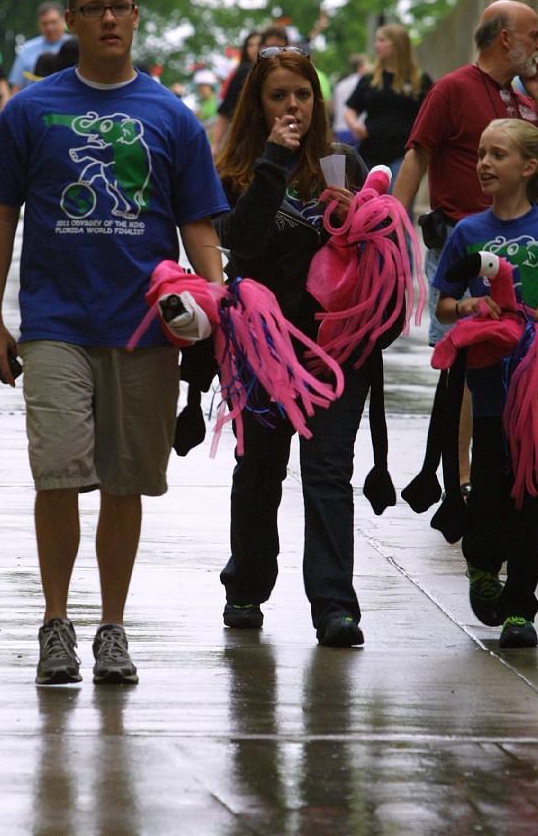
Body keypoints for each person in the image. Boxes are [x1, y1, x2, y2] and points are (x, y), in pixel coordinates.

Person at [0, 0, 227, 687]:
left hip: (145, 327)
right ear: (74, 21)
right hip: (54, 321)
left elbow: (197, 224)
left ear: (137, 17)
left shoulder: (172, 116)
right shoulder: (29, 109)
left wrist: (220, 300)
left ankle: (112, 628)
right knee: (57, 470)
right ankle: (56, 623)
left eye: (121, 7)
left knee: (125, 481)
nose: (110, 19)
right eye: (95, 9)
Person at [214, 46, 371, 648]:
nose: (292, 107)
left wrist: (358, 217)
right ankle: (246, 588)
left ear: (317, 100)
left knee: (328, 472)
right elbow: (243, 243)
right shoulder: (235, 169)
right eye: (278, 97)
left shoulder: (341, 161)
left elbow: (378, 251)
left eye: (301, 96)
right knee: (259, 469)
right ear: (259, 103)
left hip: (335, 345)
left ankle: (334, 605)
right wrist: (274, 162)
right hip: (262, 345)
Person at [394, 0, 538, 492]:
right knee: (465, 363)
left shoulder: (525, 98)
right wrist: (387, 230)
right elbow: (416, 157)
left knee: (525, 353)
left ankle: (518, 460)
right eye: (534, 33)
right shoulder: (451, 89)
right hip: (463, 246)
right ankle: (462, 475)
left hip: (525, 247)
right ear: (506, 38)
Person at [433, 118, 538, 649]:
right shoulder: (469, 231)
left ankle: (520, 610)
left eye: (498, 154)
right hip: (488, 389)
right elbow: (442, 305)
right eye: (480, 153)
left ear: (528, 167)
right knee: (488, 494)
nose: (484, 163)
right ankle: (482, 563)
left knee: (535, 498)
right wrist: (470, 305)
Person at [344, 24, 431, 173]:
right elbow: (351, 109)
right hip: (370, 153)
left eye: (382, 40)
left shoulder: (420, 80)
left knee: (395, 196)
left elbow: (432, 113)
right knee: (370, 195)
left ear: (398, 44)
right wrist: (354, 125)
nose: (376, 44)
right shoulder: (370, 78)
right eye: (377, 40)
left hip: (404, 154)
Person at [212, 26, 287, 153]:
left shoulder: (284, 74)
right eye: (250, 45)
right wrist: (215, 145)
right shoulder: (244, 71)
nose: (254, 48)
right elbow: (225, 111)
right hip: (247, 143)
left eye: (259, 44)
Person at [8, 1, 67, 93]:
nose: (49, 28)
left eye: (53, 22)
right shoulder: (27, 49)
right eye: (45, 23)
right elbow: (17, 87)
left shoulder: (76, 47)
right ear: (38, 24)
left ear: (64, 20)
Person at [332, 53, 368, 146]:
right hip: (357, 129)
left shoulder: (340, 84)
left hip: (339, 129)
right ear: (361, 67)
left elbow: (334, 107)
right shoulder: (364, 83)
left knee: (342, 159)